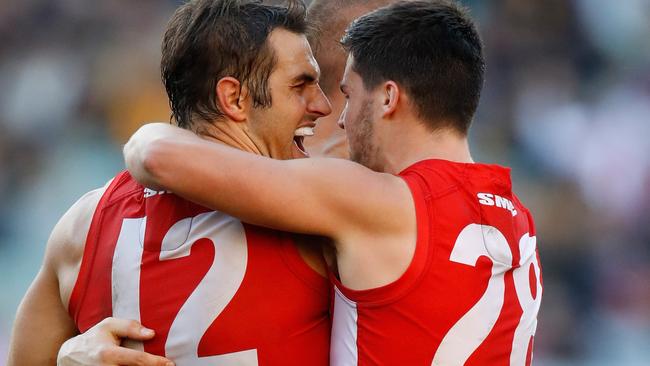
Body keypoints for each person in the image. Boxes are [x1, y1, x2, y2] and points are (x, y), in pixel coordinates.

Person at [124, 1, 543, 365]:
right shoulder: (518, 219)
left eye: (349, 93)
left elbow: (157, 157)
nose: (338, 117)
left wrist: (143, 134)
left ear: (388, 98)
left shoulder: (375, 201)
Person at [8, 1, 334, 365]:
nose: (322, 104)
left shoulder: (81, 228)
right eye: (300, 85)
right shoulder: (319, 216)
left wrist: (64, 359)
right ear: (234, 98)